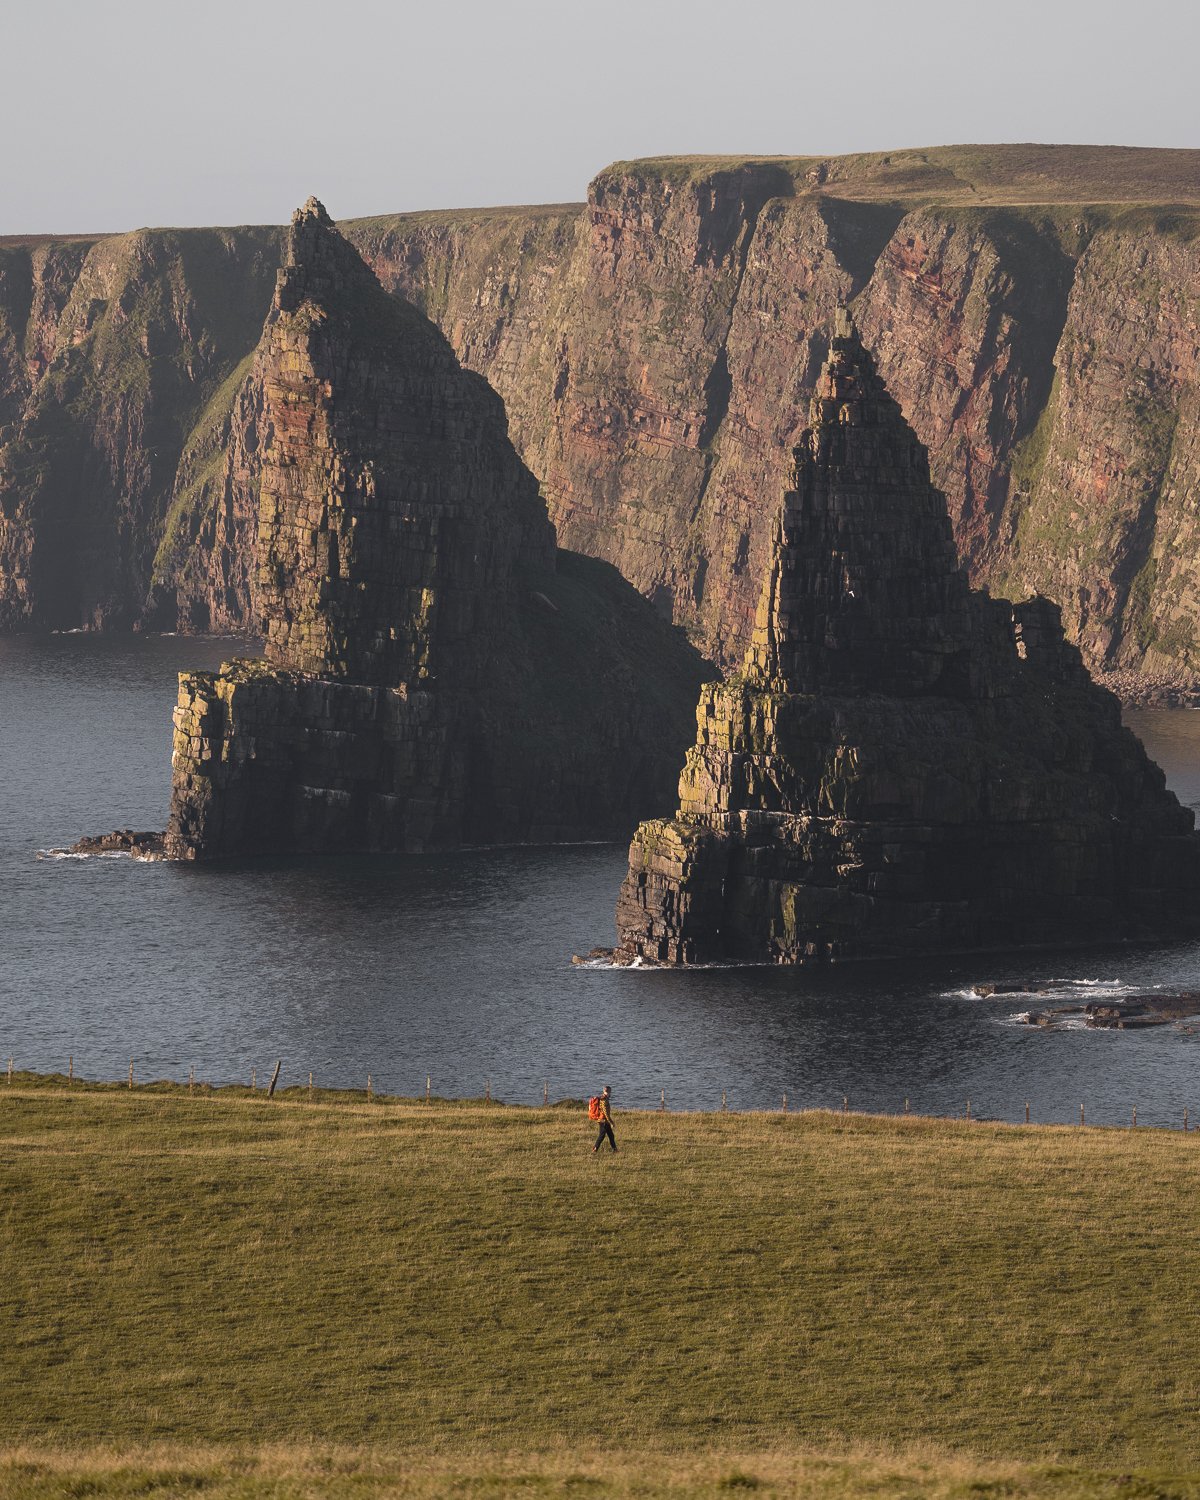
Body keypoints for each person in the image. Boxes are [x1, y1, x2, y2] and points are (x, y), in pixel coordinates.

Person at [593, 1084, 617, 1154]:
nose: (610, 1093)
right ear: (608, 1092)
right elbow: (606, 1113)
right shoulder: (604, 1100)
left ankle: (615, 1149)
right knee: (602, 1135)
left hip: (603, 1120)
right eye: (610, 1092)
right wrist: (611, 1122)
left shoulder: (603, 1098)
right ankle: (595, 1148)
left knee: (611, 1135)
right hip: (603, 1121)